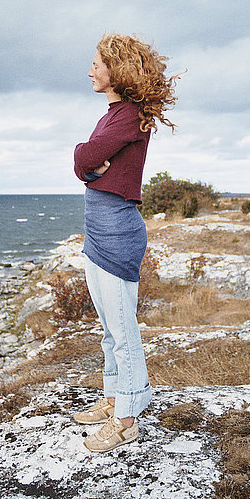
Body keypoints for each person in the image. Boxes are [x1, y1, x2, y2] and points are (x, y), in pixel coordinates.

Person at [73, 33, 179, 453]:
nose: (90, 70)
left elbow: (85, 157)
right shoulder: (114, 113)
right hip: (100, 232)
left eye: (96, 63)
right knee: (108, 328)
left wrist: (87, 161)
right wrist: (89, 165)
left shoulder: (129, 115)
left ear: (116, 68)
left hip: (117, 232)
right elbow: (87, 167)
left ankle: (127, 421)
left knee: (122, 330)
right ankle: (115, 397)